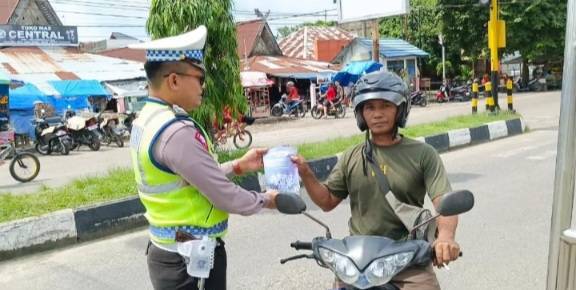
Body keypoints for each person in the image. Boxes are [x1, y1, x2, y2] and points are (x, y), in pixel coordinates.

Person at [128, 25, 278, 290]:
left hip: (170, 251)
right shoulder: (176, 132)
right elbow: (223, 195)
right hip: (189, 261)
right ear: (173, 80)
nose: (203, 86)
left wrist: (237, 165)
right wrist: (266, 200)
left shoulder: (148, 120)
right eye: (198, 77)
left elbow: (188, 180)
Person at [291, 71, 460, 290]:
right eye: (370, 107)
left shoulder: (423, 154)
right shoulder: (352, 156)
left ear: (400, 110)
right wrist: (305, 172)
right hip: (357, 260)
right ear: (361, 113)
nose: (378, 114)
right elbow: (327, 201)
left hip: (407, 259)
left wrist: (445, 237)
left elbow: (444, 202)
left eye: (385, 106)